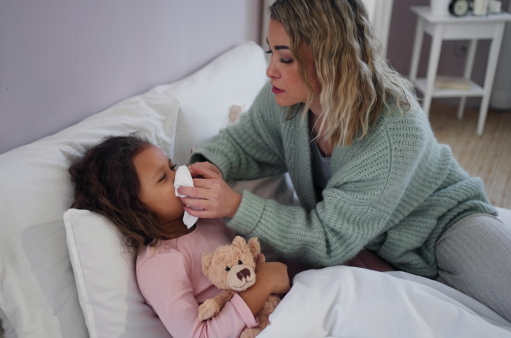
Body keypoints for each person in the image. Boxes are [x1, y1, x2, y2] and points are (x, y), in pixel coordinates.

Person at [178, 0, 511, 322]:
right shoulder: (286, 101)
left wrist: (236, 205)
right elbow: (243, 143)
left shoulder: (394, 130)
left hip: (444, 224)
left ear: (329, 60)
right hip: (369, 245)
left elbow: (327, 240)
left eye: (287, 59)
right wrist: (202, 169)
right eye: (271, 52)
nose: (270, 71)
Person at [68, 134, 290, 338]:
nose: (180, 175)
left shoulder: (208, 219)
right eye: (163, 177)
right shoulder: (160, 262)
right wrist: (263, 284)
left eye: (173, 166)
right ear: (135, 208)